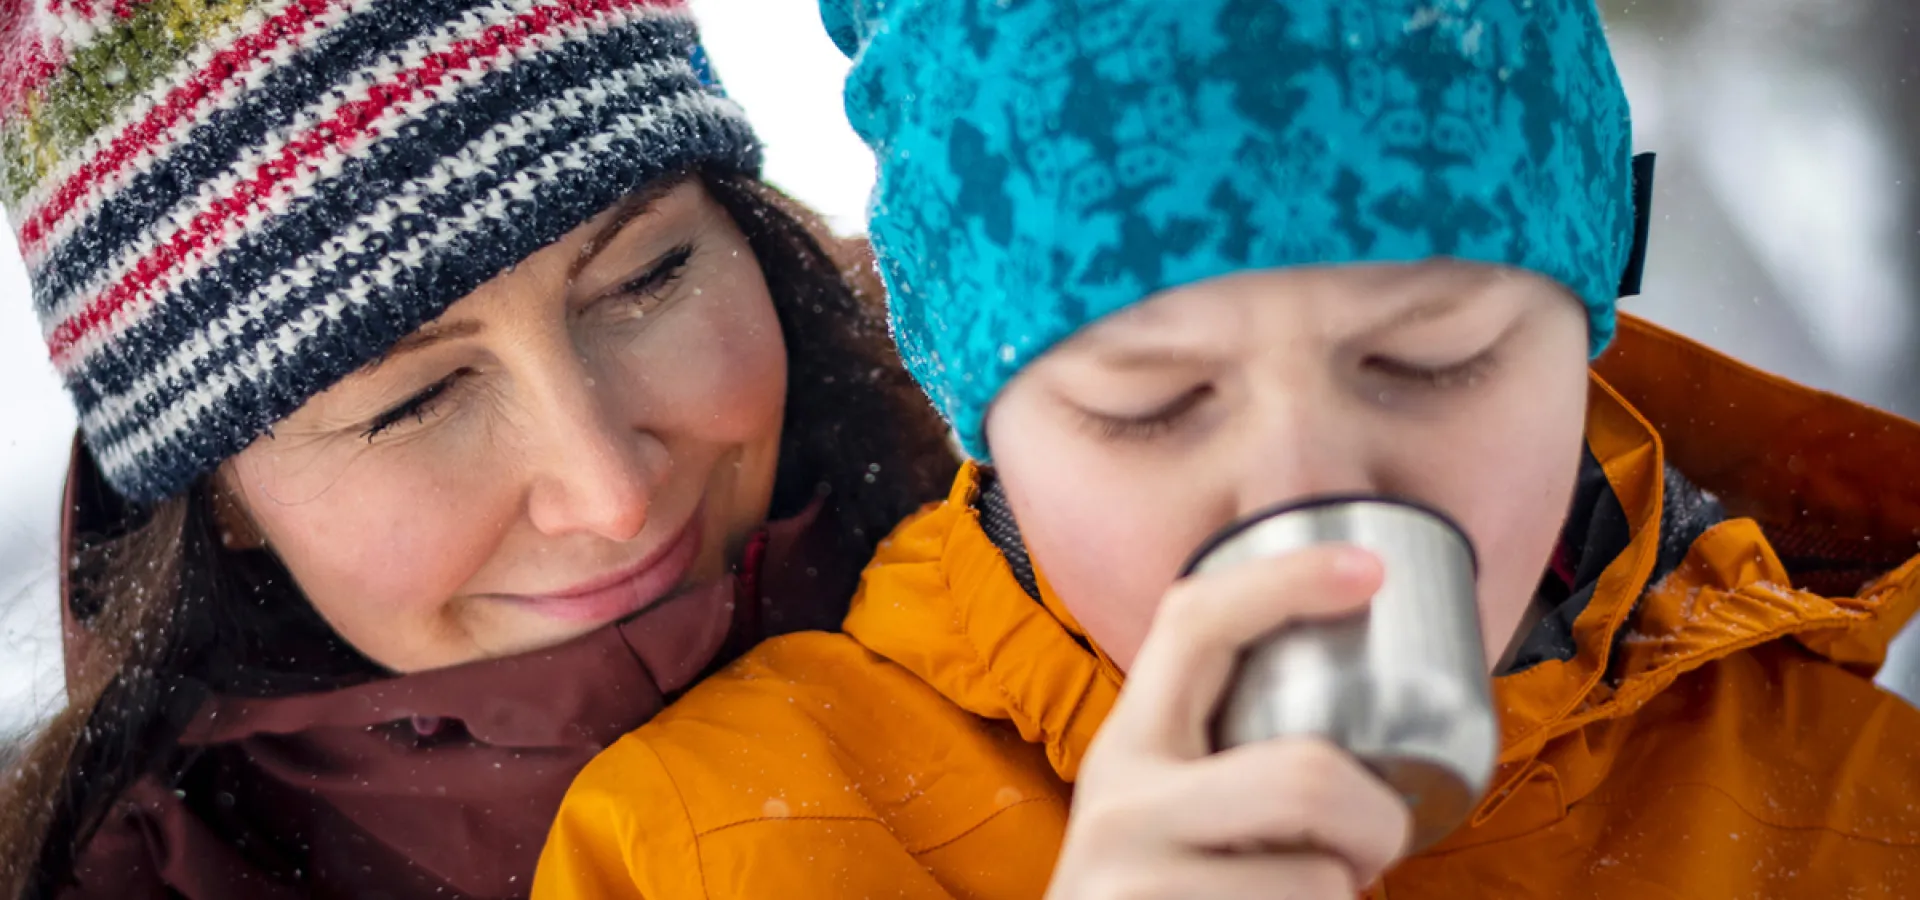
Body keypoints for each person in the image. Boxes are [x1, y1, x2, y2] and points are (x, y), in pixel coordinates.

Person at [534, 0, 1920, 897]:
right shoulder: (717, 843)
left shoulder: (1862, 809)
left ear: (1586, 332)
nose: (1310, 484)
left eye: (1427, 358)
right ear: (978, 418)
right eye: (1151, 402)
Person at [0, 0, 958, 897]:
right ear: (222, 498)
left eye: (647, 277)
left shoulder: (1060, 472)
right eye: (417, 401)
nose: (612, 492)